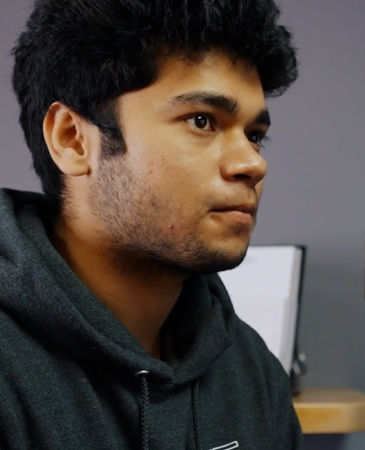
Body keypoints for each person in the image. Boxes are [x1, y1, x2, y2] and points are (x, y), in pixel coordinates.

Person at [0, 0, 301, 448]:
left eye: (254, 135)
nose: (252, 163)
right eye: (202, 121)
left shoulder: (250, 370)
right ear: (72, 139)